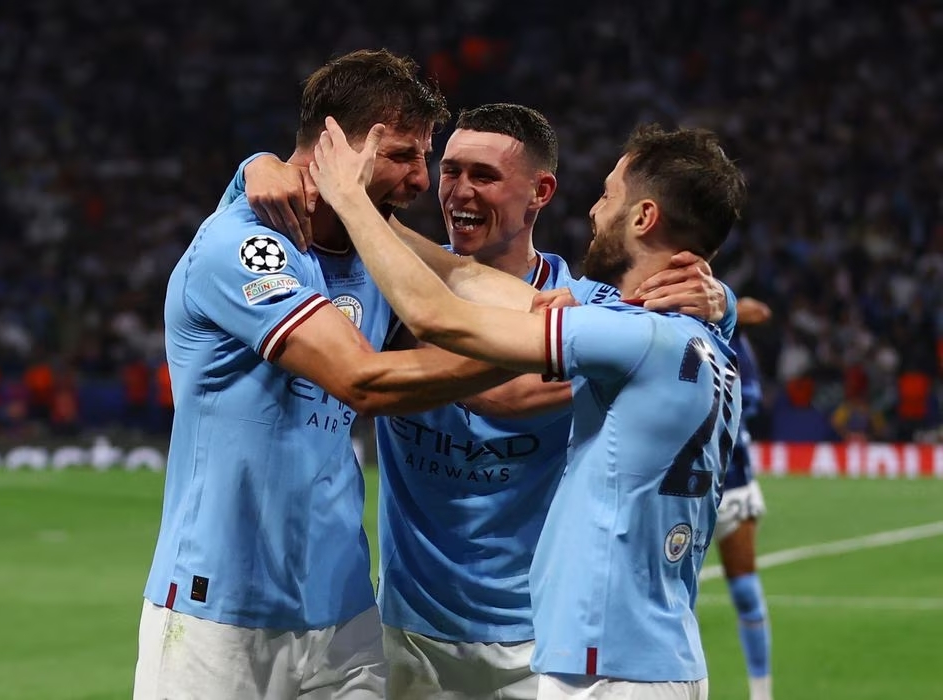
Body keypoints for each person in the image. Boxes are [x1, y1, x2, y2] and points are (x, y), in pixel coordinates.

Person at [238, 104, 736, 699]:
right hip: (412, 631)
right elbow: (442, 274)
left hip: (538, 641)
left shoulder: (589, 310)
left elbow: (511, 383)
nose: (459, 191)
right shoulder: (385, 284)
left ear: (540, 191)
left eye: (485, 176)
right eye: (450, 171)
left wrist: (720, 299)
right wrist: (259, 165)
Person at [134, 50, 542, 700]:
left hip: (342, 612)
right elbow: (360, 380)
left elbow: (462, 281)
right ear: (334, 146)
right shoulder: (243, 246)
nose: (420, 180)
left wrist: (606, 321)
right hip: (217, 614)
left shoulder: (375, 247)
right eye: (403, 155)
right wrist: (532, 344)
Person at [713, 296, 774, 700]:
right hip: (675, 488)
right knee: (671, 597)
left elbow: (749, 397)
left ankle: (761, 693)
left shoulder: (731, 331)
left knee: (745, 591)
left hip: (731, 478)